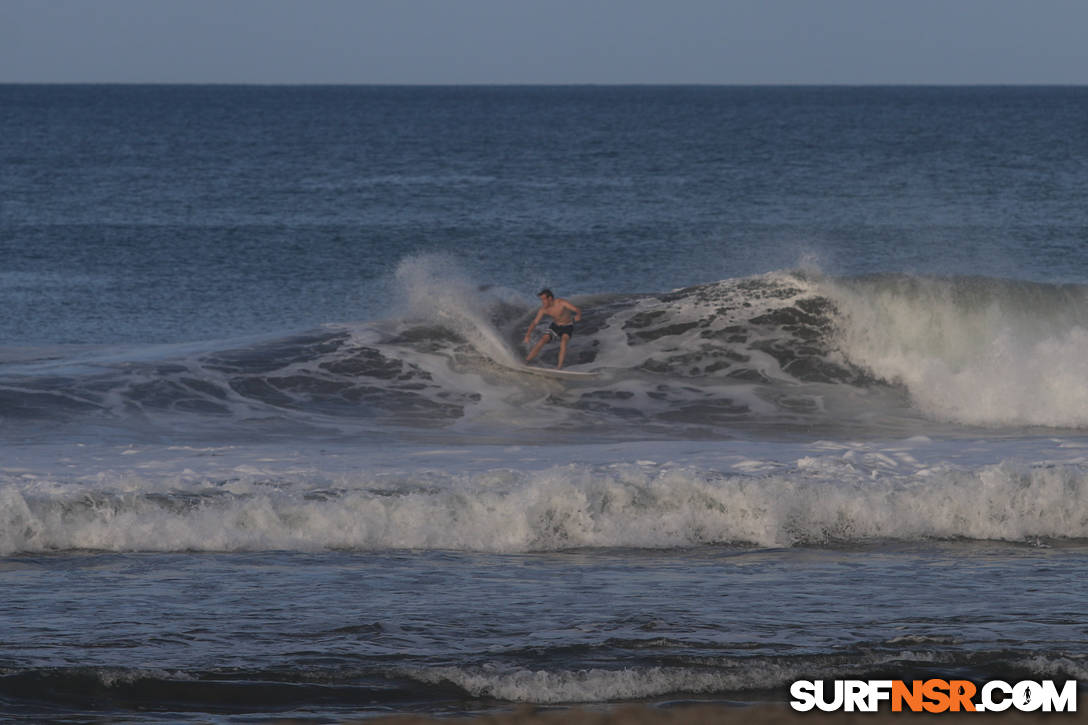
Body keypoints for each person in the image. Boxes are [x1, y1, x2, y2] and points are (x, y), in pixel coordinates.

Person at [523, 288, 582, 369]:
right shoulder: (543, 309)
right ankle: (526, 361)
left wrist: (578, 315)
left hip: (568, 326)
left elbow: (576, 309)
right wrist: (528, 335)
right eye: (541, 300)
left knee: (563, 341)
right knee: (543, 339)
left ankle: (559, 367)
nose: (542, 302)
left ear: (550, 298)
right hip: (555, 326)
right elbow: (535, 322)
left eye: (544, 299)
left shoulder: (561, 302)